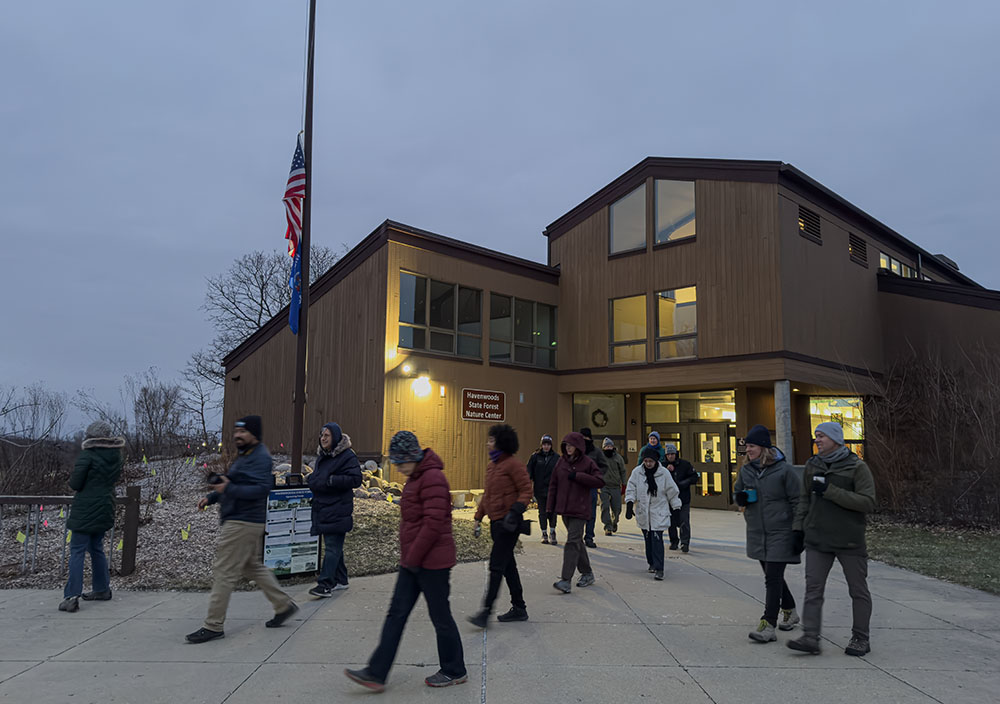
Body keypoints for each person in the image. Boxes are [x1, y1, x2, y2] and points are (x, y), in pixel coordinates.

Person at [345, 431, 467, 691]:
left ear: (412, 456)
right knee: (396, 614)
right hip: (413, 561)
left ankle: (455, 669)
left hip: (433, 563)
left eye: (401, 462)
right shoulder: (415, 476)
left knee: (440, 616)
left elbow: (433, 524)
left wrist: (412, 557)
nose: (398, 468)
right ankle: (376, 673)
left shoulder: (433, 477)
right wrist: (410, 558)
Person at [186, 416, 298, 644]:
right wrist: (212, 496)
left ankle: (213, 625)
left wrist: (229, 488)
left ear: (254, 434)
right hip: (243, 519)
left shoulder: (260, 458)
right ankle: (283, 605)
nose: (237, 435)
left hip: (243, 520)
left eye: (242, 432)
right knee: (251, 566)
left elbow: (260, 489)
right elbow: (234, 483)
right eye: (236, 431)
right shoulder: (246, 456)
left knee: (224, 570)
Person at [788, 422, 876, 657]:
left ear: (836, 439)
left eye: (822, 436)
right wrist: (798, 529)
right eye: (816, 436)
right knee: (813, 589)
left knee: (858, 590)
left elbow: (868, 502)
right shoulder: (812, 465)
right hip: (818, 538)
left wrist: (830, 491)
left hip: (849, 540)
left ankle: (860, 638)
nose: (817, 440)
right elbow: (804, 499)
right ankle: (810, 637)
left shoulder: (857, 467)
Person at [733, 424, 802, 643]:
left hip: (781, 530)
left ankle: (768, 624)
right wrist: (740, 498)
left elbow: (798, 500)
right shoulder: (746, 470)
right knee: (773, 576)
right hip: (757, 531)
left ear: (763, 447)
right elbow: (738, 491)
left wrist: (799, 529)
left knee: (772, 578)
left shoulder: (784, 471)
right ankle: (790, 611)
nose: (748, 450)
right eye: (747, 447)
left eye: (752, 446)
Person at [468, 424, 533, 628]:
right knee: (508, 566)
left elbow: (526, 490)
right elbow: (488, 496)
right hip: (496, 523)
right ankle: (519, 608)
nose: (487, 443)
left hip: (509, 524)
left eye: (491, 440)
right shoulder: (492, 466)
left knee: (496, 566)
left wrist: (515, 511)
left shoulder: (513, 464)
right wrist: (478, 517)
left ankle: (485, 612)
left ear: (501, 442)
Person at [59, 421, 125, 612]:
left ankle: (71, 596)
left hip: (86, 508)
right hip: (106, 505)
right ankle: (102, 588)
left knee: (77, 550)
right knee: (96, 548)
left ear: (91, 436)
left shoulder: (87, 456)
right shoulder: (116, 456)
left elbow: (75, 483)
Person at [307, 422, 363, 597]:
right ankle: (341, 579)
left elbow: (356, 479)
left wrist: (332, 481)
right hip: (324, 507)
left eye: (327, 435)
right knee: (334, 546)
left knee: (332, 546)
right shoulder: (323, 456)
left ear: (336, 437)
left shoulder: (347, 456)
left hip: (338, 509)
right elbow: (320, 477)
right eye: (322, 435)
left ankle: (325, 584)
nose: (323, 438)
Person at [547, 432, 605, 593]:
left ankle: (566, 580)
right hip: (565, 509)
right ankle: (587, 573)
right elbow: (553, 484)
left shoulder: (587, 463)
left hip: (580, 509)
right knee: (577, 541)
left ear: (578, 446)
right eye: (566, 445)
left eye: (571, 445)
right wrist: (550, 507)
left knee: (572, 542)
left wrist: (579, 476)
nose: (568, 448)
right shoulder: (561, 462)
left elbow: (600, 480)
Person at [624, 446, 681, 580]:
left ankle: (659, 568)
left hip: (659, 511)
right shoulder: (637, 472)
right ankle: (651, 563)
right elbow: (631, 488)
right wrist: (629, 503)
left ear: (656, 461)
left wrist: (676, 508)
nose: (648, 464)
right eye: (646, 461)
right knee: (648, 540)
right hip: (644, 512)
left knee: (657, 540)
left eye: (651, 461)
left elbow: (672, 491)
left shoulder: (664, 474)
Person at [664, 443, 698, 552]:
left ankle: (685, 543)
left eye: (672, 454)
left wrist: (684, 483)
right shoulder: (662, 466)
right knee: (671, 522)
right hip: (669, 499)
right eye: (668, 454)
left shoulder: (685, 465)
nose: (670, 456)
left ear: (676, 454)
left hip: (683, 498)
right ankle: (674, 542)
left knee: (684, 521)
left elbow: (694, 477)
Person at [527, 435, 559, 545]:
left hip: (553, 489)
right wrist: (528, 487)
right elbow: (529, 472)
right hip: (539, 489)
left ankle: (553, 531)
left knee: (552, 512)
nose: (546, 447)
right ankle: (544, 533)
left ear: (551, 445)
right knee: (542, 512)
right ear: (541, 445)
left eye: (548, 445)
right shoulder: (535, 457)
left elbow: (561, 473)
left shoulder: (556, 457)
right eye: (544, 444)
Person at [579, 427, 608, 548]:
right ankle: (578, 537)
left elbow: (604, 466)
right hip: (578, 487)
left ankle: (589, 536)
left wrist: (595, 476)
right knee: (578, 514)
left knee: (591, 514)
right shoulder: (576, 450)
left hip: (590, 486)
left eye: (586, 437)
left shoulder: (596, 452)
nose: (584, 440)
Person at [600, 437, 627, 535]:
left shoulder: (618, 458)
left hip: (615, 486)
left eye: (610, 446)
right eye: (606, 446)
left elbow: (623, 471)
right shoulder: (600, 458)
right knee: (605, 506)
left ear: (613, 447)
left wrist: (624, 484)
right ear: (603, 448)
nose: (608, 448)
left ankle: (614, 522)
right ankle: (608, 526)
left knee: (617, 509)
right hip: (604, 486)